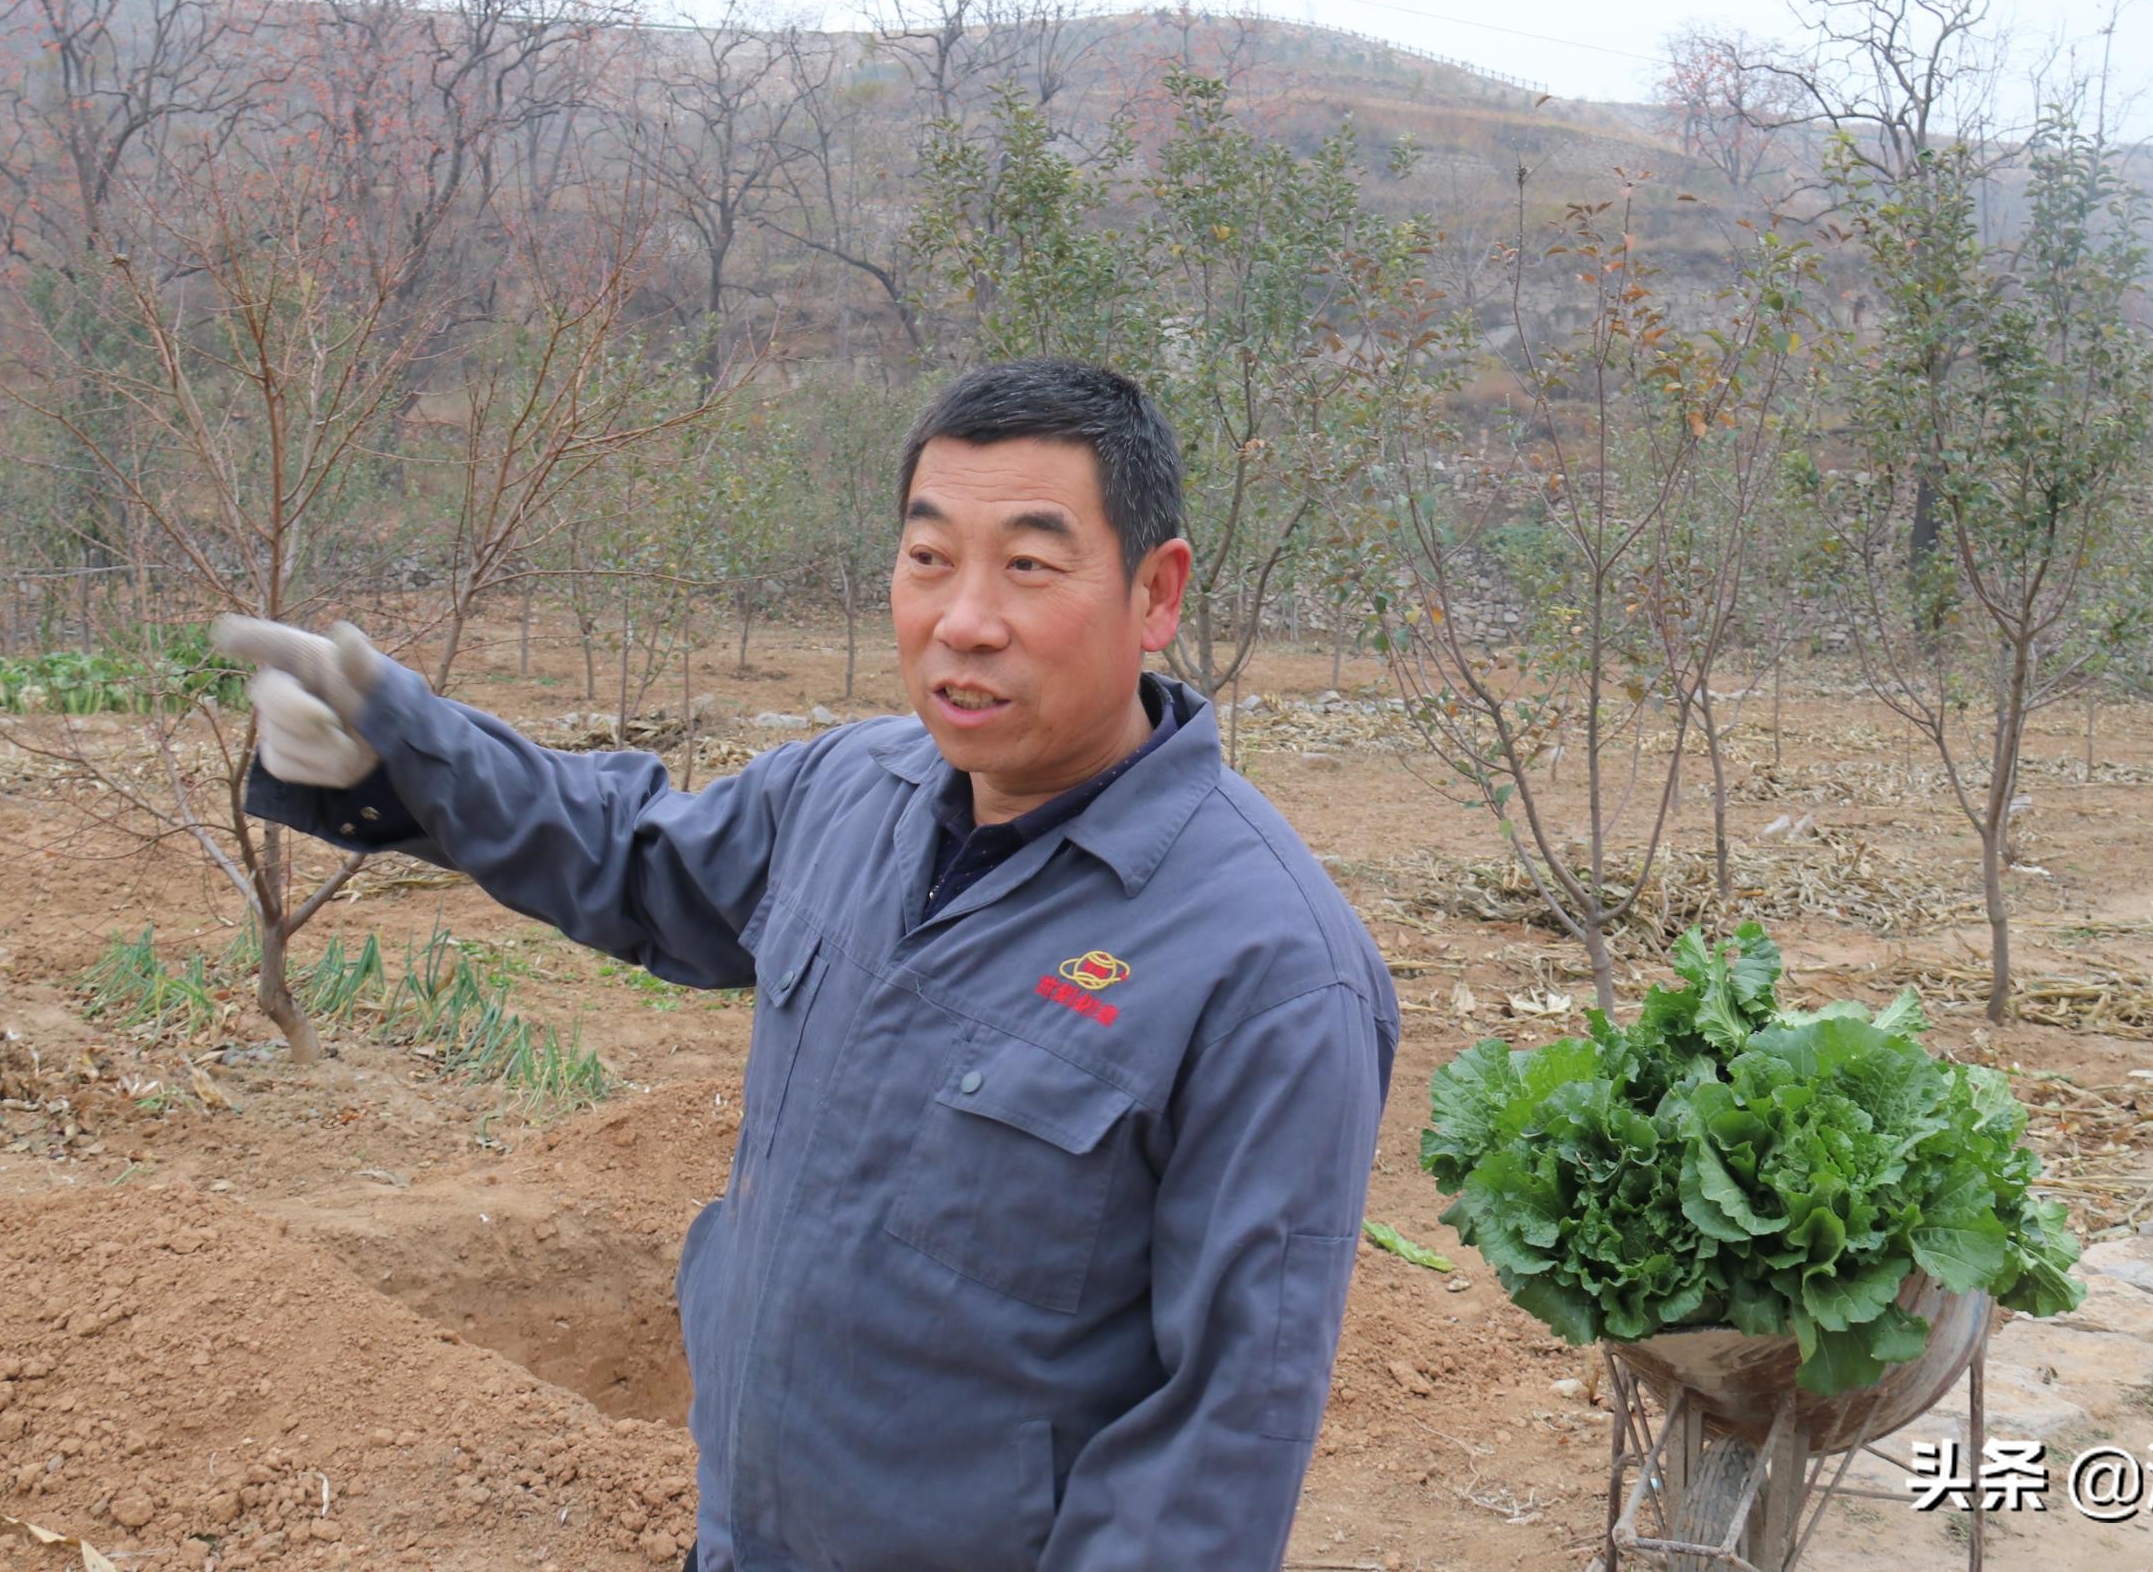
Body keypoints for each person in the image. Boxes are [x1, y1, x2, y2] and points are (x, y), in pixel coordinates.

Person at [220, 359, 1400, 1572]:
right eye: (929, 558)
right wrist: (399, 748)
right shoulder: (852, 792)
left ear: (1156, 594)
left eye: (1029, 567)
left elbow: (1220, 1443)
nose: (964, 619)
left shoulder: (1269, 967)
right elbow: (635, 858)